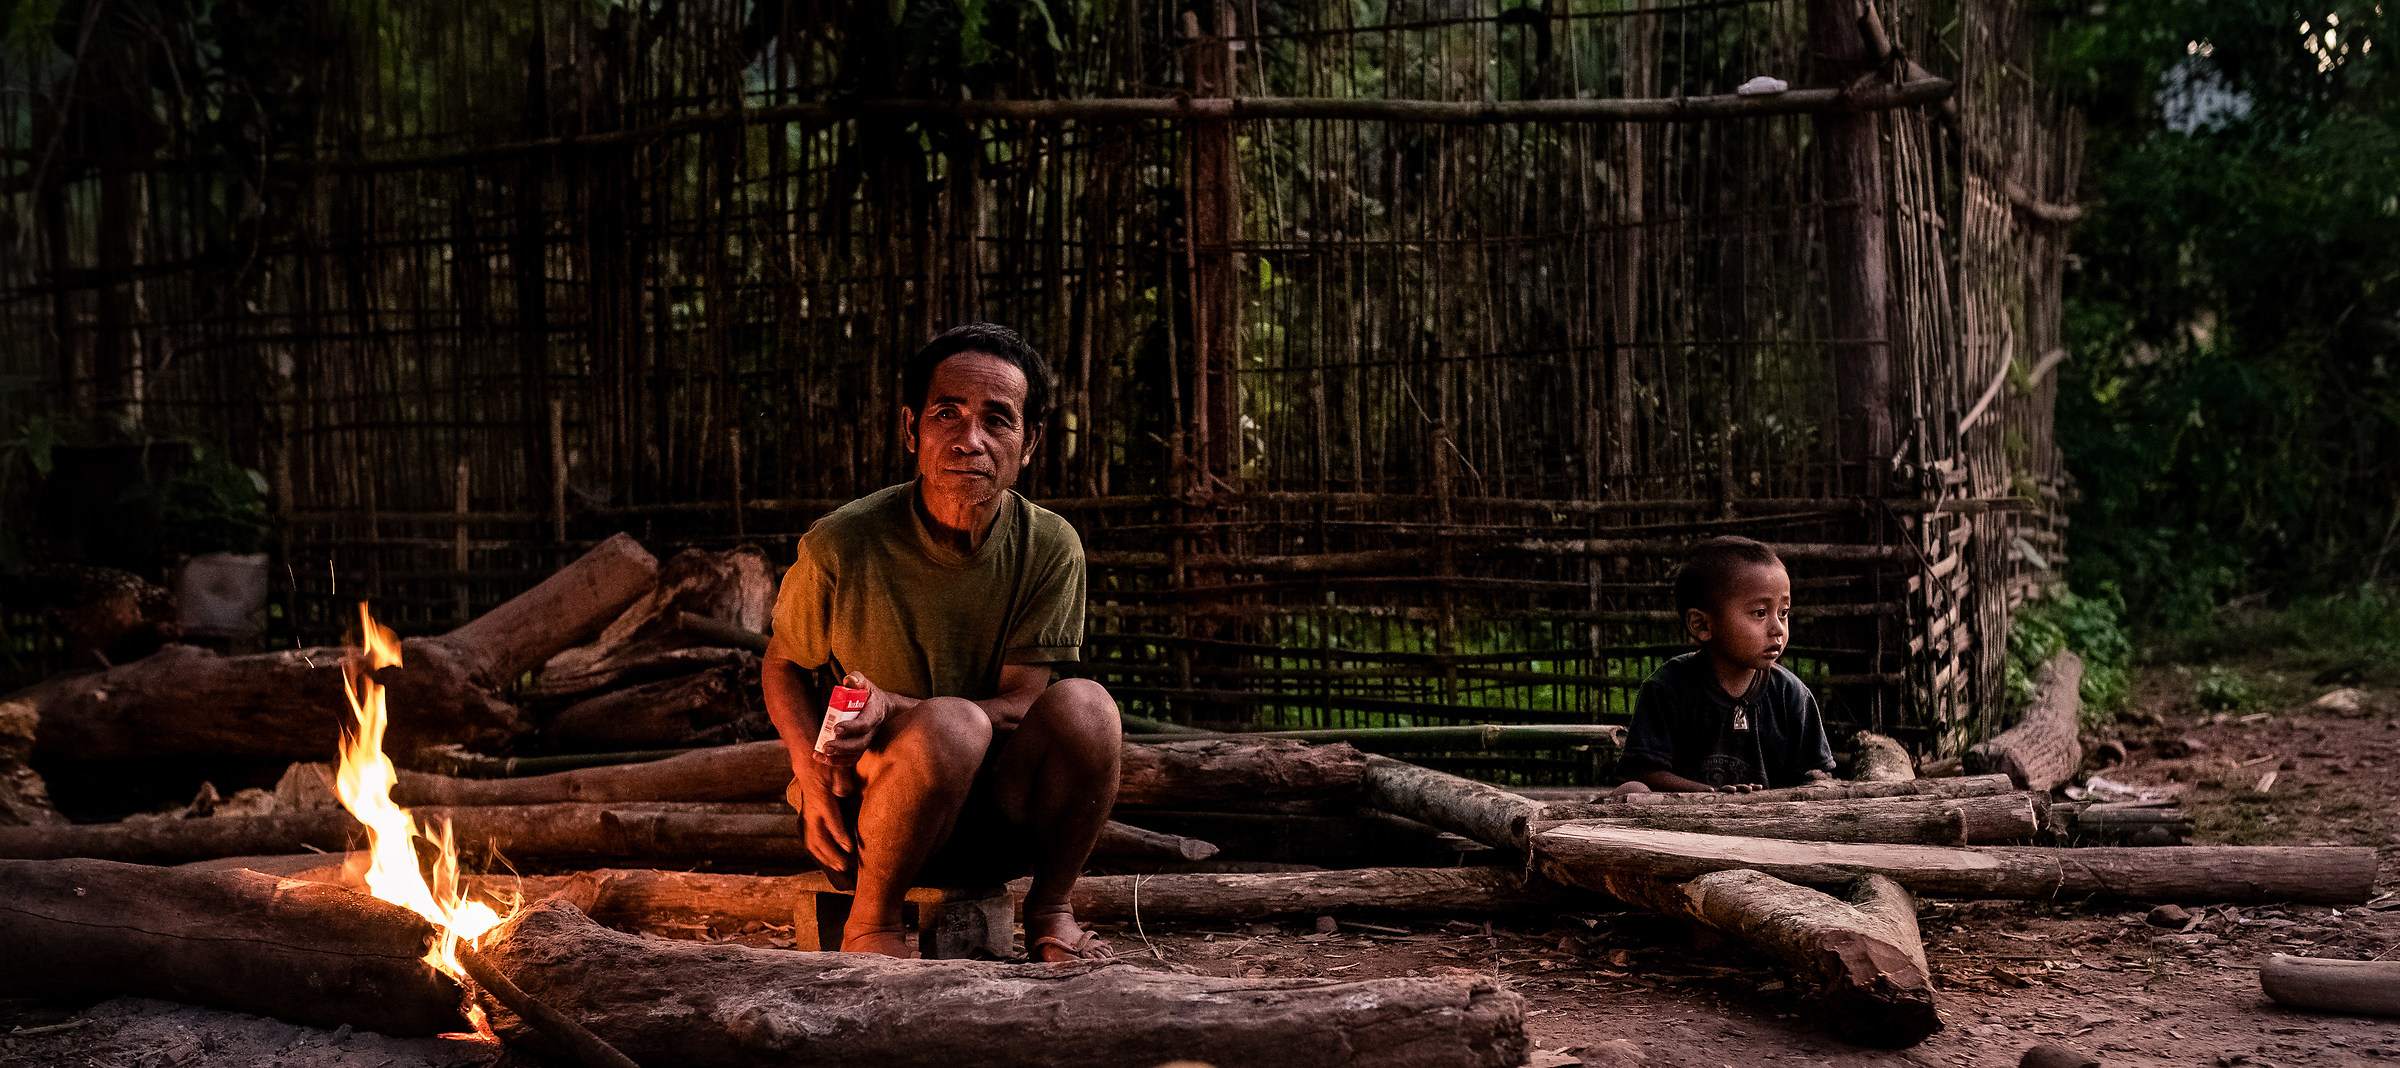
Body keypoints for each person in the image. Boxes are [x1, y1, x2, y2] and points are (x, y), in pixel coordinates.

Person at [760, 322, 1121, 961]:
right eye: (945, 414)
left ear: (1030, 441)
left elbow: (1021, 703)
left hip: (998, 826)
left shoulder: (1050, 547)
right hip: (868, 823)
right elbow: (782, 664)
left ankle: (1051, 910)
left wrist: (896, 706)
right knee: (948, 730)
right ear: (911, 430)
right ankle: (872, 923)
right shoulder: (842, 545)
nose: (968, 441)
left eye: (997, 420)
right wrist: (808, 775)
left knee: (1089, 708)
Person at [1614, 536, 1837, 795]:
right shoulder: (1666, 689)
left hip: (1769, 824)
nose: (1778, 628)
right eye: (1760, 613)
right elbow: (1643, 771)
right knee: (1631, 791)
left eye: (1783, 612)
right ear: (1703, 625)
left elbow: (1817, 778)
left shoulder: (1791, 695)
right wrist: (1709, 795)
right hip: (1681, 824)